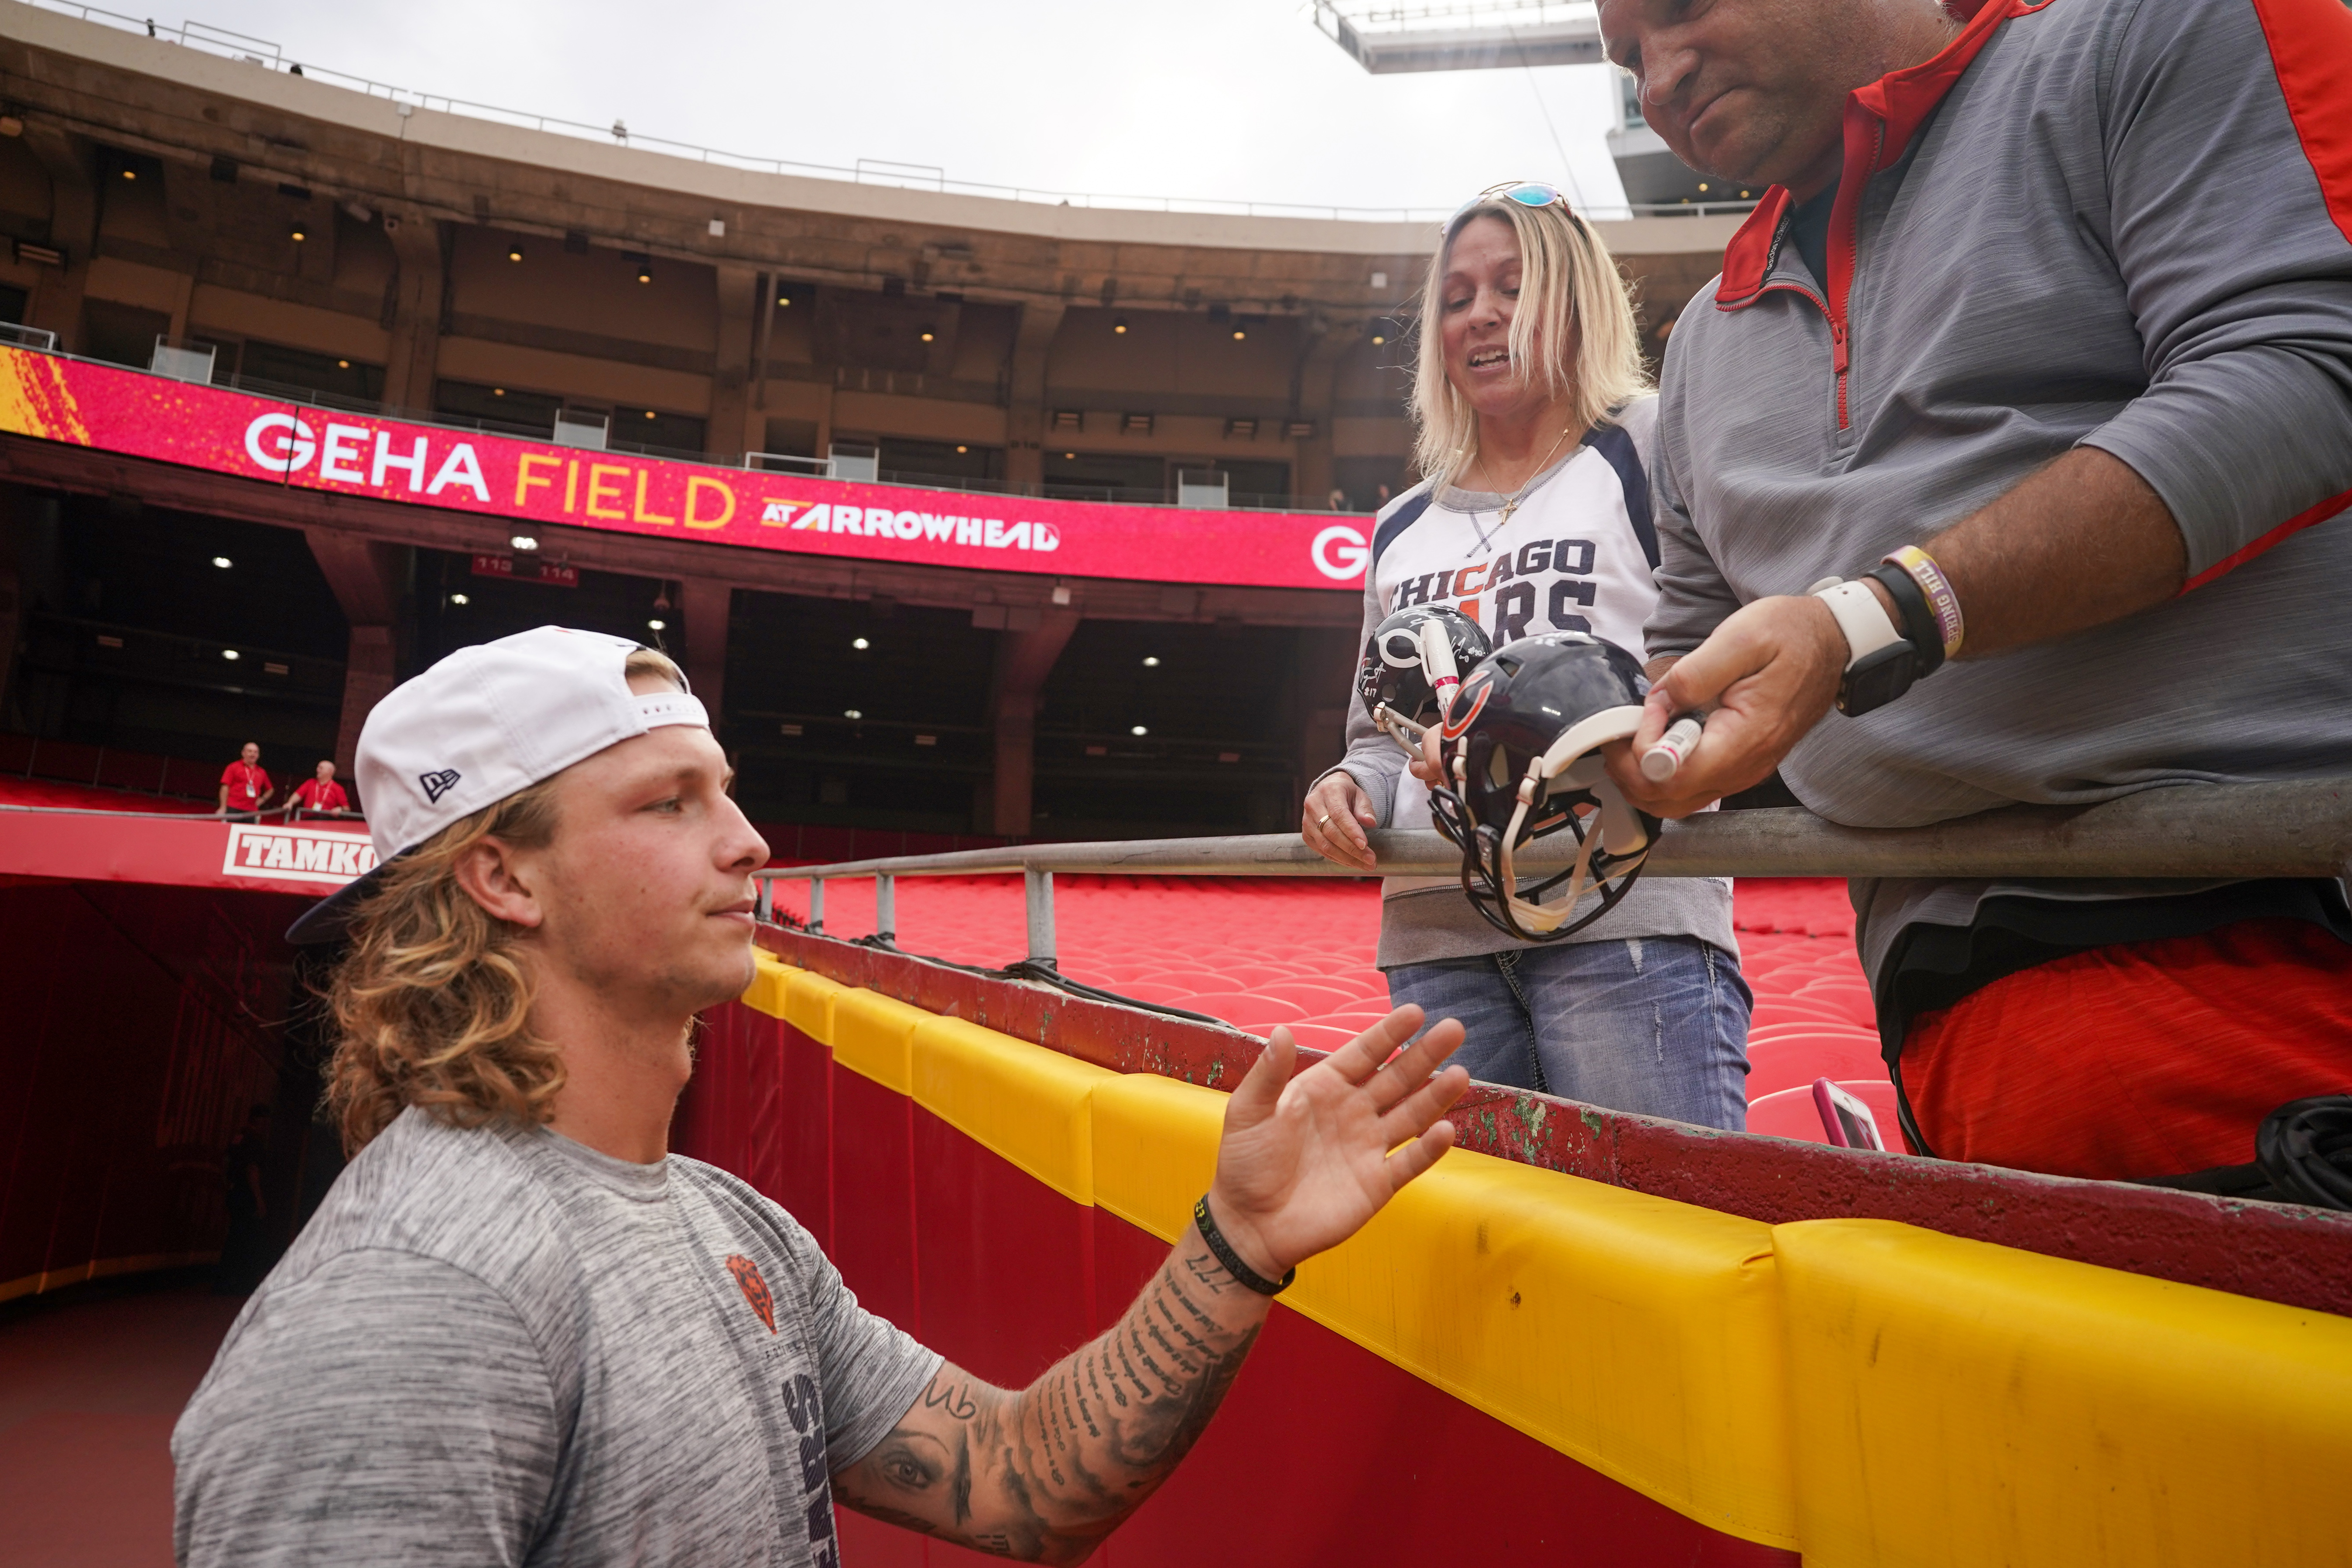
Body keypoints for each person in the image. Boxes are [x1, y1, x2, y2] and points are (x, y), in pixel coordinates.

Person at [173, 626, 1470, 1566]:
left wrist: (1235, 1245)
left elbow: (1023, 1475)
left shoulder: (737, 1227)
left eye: (726, 791)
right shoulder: (410, 1299)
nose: (749, 840)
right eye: (670, 801)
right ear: (503, 878)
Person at [1595, 0, 2352, 1180]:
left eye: (1677, 11)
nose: (1655, 77)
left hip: (2258, 930)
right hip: (1940, 1012)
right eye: (1624, 57)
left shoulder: (2145, 34)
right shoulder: (1696, 342)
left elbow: (2303, 373)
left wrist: (1874, 616)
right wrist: (1598, 746)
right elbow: (1691, 650)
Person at [1301, 184, 1750, 1129]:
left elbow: (1726, 661)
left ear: (1574, 297)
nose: (1481, 315)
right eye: (1456, 296)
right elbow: (1380, 742)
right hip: (1435, 937)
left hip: (1624, 917)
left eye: (1513, 285)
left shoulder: (1653, 443)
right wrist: (1347, 788)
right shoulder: (1395, 528)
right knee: (1486, 1252)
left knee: (1656, 1242)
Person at [211, 1103, 272, 1295]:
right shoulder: (255, 1142)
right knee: (247, 1240)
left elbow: (226, 1163)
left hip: (235, 1193)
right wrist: (259, 1199)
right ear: (261, 1121)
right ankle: (242, 1283)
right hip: (247, 1196)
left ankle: (223, 1282)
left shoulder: (238, 1139)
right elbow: (252, 1171)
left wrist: (226, 1188)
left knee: (234, 1237)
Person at [216, 741, 270, 817]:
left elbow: (270, 790)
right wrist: (223, 807)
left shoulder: (261, 772)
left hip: (252, 810)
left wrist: (262, 800)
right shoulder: (233, 767)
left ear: (258, 755)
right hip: (233, 808)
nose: (253, 754)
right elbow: (225, 788)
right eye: (250, 751)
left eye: (256, 752)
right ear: (243, 753)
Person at [285, 758, 351, 819]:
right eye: (318, 767)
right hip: (308, 819)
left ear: (330, 771)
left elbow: (347, 809)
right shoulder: (310, 783)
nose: (318, 770)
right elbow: (298, 794)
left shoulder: (338, 788)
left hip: (327, 822)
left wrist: (341, 809)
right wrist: (290, 803)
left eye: (321, 768)